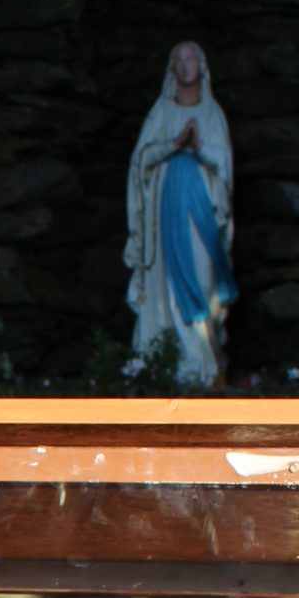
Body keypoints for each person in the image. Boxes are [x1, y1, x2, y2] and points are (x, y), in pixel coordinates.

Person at [124, 39, 236, 385]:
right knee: (168, 285)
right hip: (167, 209)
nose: (187, 65)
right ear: (173, 69)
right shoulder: (162, 112)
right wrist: (174, 144)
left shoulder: (212, 113)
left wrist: (200, 148)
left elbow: (226, 166)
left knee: (203, 280)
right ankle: (173, 362)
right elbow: (141, 160)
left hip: (201, 209)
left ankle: (205, 359)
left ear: (202, 65)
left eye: (193, 58)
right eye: (180, 60)